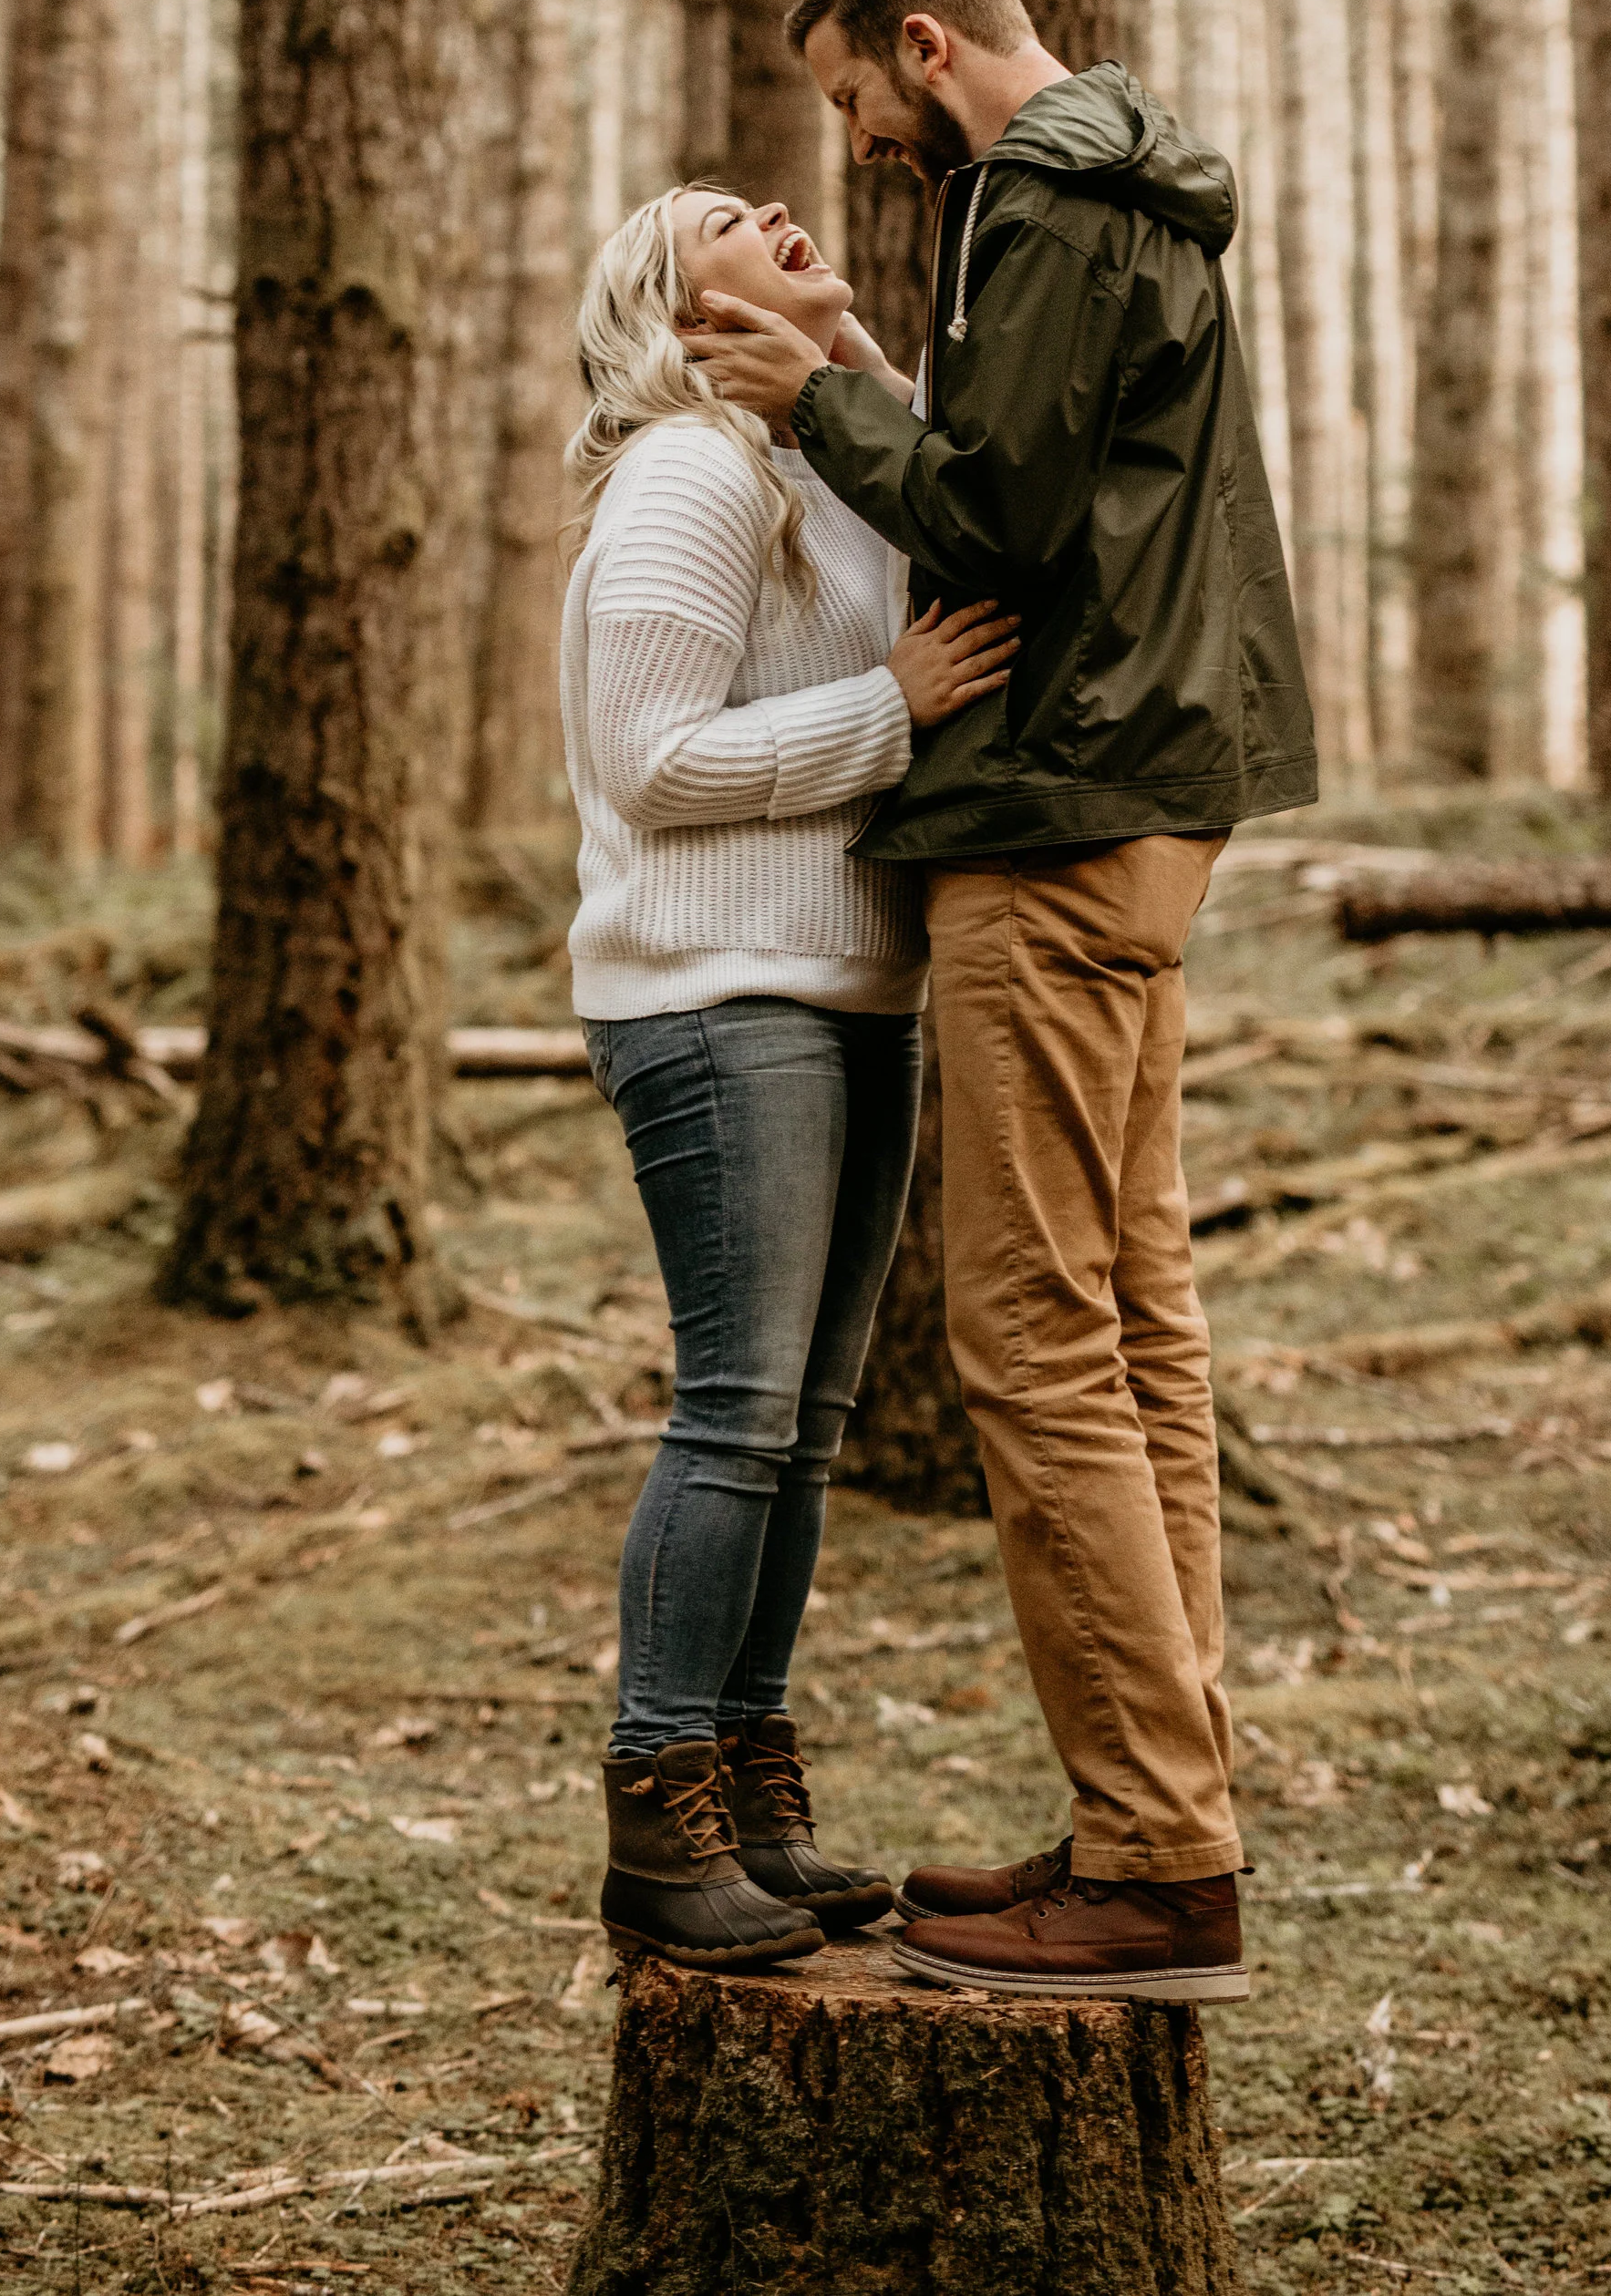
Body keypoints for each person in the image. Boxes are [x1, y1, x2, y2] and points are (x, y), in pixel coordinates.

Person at [682, 0, 1317, 2004]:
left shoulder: (1034, 204)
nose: (858, 145)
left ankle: (1153, 1861)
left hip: (1052, 812)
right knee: (1129, 1325)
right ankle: (1155, 1818)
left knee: (1037, 1342)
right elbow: (1053, 475)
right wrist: (875, 389)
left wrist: (806, 403)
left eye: (855, 100)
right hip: (1142, 800)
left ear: (924, 44)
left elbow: (1006, 524)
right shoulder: (1124, 188)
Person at [561, 179, 1019, 1969]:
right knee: (738, 1411)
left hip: (842, 990)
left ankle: (750, 1795)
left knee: (803, 1424)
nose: (768, 200)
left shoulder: (808, 464)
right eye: (714, 222)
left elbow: (936, 487)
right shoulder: (688, 471)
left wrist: (850, 369)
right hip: (709, 993)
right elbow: (651, 759)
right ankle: (656, 1806)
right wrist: (893, 707)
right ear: (681, 317)